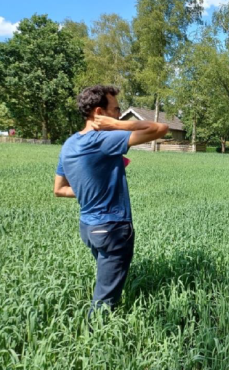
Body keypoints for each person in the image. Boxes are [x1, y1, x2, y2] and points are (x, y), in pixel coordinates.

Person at [54, 85, 168, 316]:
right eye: (116, 110)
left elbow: (60, 189)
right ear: (99, 112)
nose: (119, 114)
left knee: (106, 285)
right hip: (112, 229)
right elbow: (160, 128)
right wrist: (114, 125)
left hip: (88, 228)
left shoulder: (69, 144)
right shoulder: (102, 139)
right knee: (104, 302)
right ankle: (94, 342)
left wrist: (92, 189)